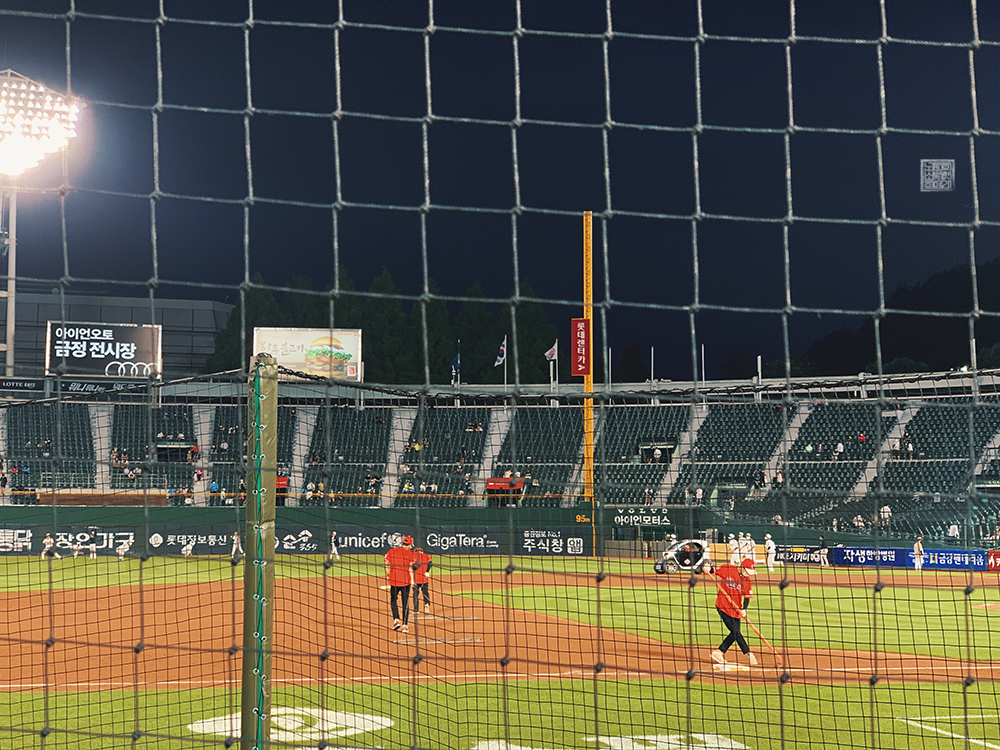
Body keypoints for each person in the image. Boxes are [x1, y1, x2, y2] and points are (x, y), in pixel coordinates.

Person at [708, 558, 758, 666]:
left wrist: (744, 609)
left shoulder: (747, 580)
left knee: (735, 633)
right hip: (723, 606)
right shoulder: (728, 569)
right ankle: (748, 653)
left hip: (736, 610)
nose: (747, 574)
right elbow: (713, 570)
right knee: (736, 632)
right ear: (741, 567)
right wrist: (707, 568)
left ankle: (719, 652)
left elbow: (747, 596)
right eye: (747, 571)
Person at [384, 535, 416, 633]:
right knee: (405, 603)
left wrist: (388, 575)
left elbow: (385, 564)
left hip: (394, 581)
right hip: (405, 582)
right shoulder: (410, 554)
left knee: (393, 600)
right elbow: (410, 568)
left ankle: (396, 620)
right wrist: (413, 581)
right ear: (409, 545)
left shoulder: (392, 551)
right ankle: (405, 625)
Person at [411, 546, 433, 615]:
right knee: (425, 593)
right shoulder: (426, 556)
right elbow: (430, 564)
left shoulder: (412, 556)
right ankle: (426, 606)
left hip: (415, 579)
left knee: (415, 594)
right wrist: (427, 571)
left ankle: (416, 609)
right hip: (424, 579)